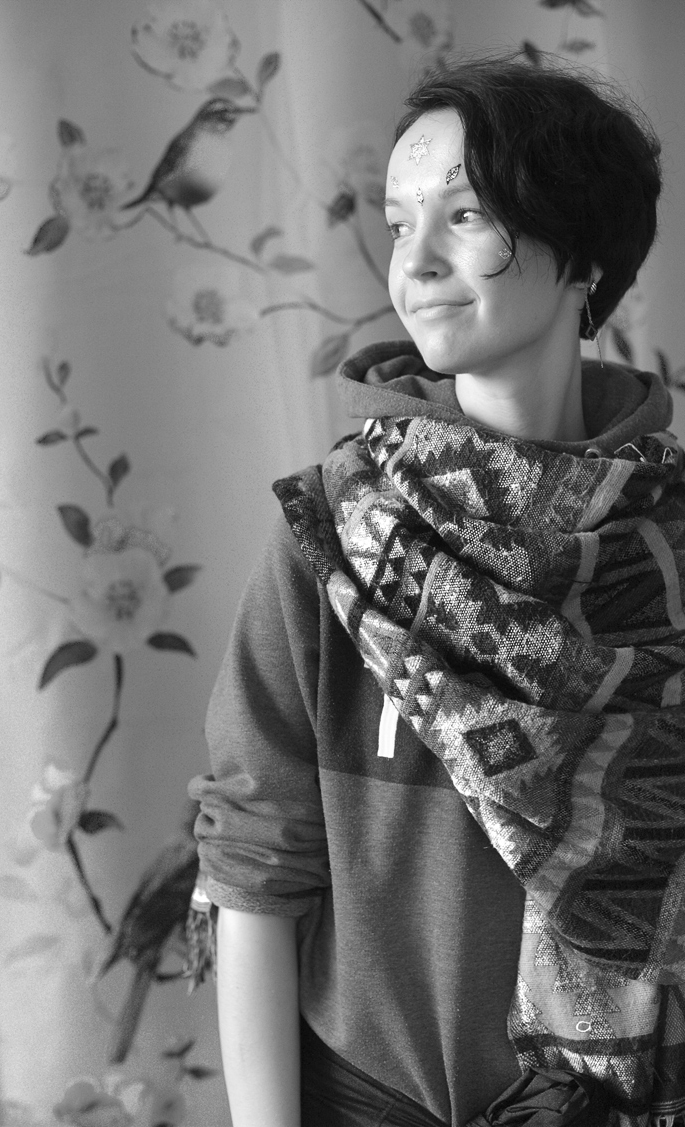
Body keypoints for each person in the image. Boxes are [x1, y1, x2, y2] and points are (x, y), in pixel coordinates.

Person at [188, 55, 685, 1126]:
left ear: (584, 253)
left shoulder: (671, 542)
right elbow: (255, 858)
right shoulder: (335, 531)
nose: (413, 261)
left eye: (464, 215)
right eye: (398, 221)